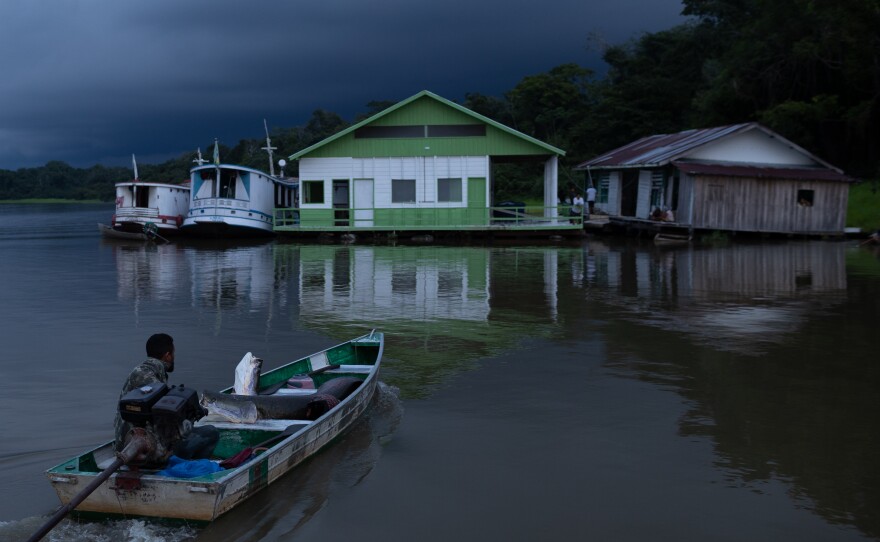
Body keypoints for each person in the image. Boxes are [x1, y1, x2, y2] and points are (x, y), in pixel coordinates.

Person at [114, 333, 218, 460]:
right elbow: (165, 413)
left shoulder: (143, 371)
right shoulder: (146, 376)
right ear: (167, 355)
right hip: (138, 446)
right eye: (173, 354)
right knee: (211, 433)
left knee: (190, 432)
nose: (173, 358)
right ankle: (191, 469)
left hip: (130, 442)